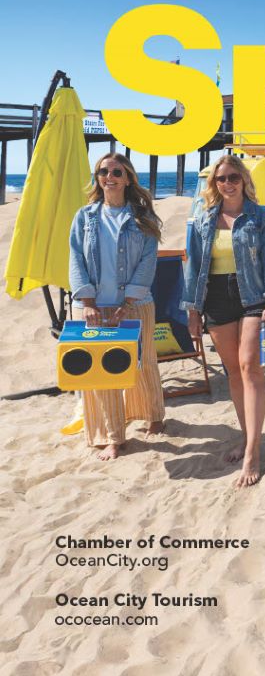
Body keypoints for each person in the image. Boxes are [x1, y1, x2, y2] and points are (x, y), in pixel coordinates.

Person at [183, 155, 265, 487]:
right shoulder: (203, 220)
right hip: (215, 297)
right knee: (233, 372)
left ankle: (253, 452)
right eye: (220, 179)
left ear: (243, 180)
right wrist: (193, 311)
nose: (227, 183)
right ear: (214, 184)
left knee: (249, 366)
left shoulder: (261, 217)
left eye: (232, 177)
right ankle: (246, 437)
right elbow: (194, 267)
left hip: (252, 295)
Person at [69, 153, 164, 461]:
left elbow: (148, 263)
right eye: (103, 171)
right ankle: (114, 437)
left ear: (127, 178)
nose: (109, 176)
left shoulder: (143, 218)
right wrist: (87, 301)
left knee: (144, 364)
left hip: (136, 305)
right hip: (95, 308)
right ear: (98, 178)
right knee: (101, 374)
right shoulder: (85, 216)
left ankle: (154, 415)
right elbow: (75, 259)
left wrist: (129, 302)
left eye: (116, 171)